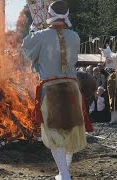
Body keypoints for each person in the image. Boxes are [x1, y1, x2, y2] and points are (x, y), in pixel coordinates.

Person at [22, 1, 88, 180]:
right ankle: (63, 172)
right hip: (73, 87)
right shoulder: (75, 36)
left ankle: (64, 175)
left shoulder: (41, 35)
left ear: (49, 15)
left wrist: (33, 29)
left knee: (54, 131)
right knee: (71, 127)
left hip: (52, 89)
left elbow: (27, 51)